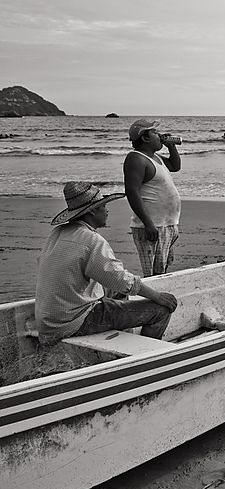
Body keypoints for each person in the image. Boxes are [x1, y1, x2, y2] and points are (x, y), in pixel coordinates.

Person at [35, 182, 178, 346]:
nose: (107, 210)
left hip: (49, 319)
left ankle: (122, 339)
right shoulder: (92, 240)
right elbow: (120, 280)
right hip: (74, 321)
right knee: (161, 311)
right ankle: (144, 351)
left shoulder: (57, 233)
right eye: (103, 206)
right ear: (92, 211)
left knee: (116, 292)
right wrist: (157, 296)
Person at [123, 119, 182, 277]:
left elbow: (175, 166)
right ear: (145, 138)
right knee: (153, 274)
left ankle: (159, 291)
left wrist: (172, 147)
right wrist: (148, 223)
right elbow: (132, 192)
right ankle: (152, 293)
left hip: (167, 223)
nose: (160, 135)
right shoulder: (136, 159)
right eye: (154, 132)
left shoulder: (155, 157)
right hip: (152, 225)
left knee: (162, 268)